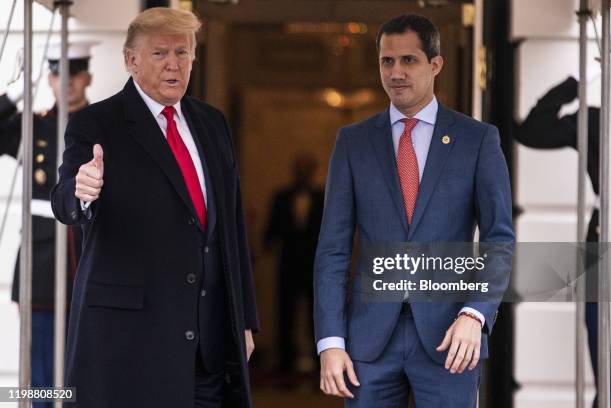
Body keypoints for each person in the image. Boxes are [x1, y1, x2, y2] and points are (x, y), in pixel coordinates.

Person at [50, 8, 259, 407]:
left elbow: (230, 228)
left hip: (207, 346)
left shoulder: (212, 124)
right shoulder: (97, 123)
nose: (173, 65)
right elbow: (65, 199)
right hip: (131, 343)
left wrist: (244, 319)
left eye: (182, 53)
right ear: (132, 60)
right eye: (160, 53)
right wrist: (83, 190)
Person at [314, 14, 514, 407]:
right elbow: (332, 250)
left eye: (409, 60)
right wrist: (330, 342)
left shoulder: (477, 140)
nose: (396, 72)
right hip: (367, 344)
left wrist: (475, 314)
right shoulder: (353, 143)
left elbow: (499, 240)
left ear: (435, 64)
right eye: (387, 61)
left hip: (450, 339)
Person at [0, 41, 95, 407]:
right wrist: (17, 93)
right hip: (40, 264)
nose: (66, 81)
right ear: (50, 79)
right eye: (57, 73)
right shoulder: (34, 125)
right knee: (39, 373)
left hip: (89, 256)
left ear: (87, 76)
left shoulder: (102, 124)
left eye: (74, 72)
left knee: (84, 370)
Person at [516, 76, 609, 408]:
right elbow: (530, 131)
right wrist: (572, 87)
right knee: (602, 347)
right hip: (603, 238)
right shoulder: (597, 119)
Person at [264, 152, 324, 377]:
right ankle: (285, 361)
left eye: (306, 169)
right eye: (299, 169)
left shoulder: (322, 197)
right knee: (285, 315)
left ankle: (320, 362)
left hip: (313, 266)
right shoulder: (281, 197)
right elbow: (271, 230)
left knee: (315, 315)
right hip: (287, 265)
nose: (303, 174)